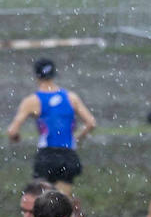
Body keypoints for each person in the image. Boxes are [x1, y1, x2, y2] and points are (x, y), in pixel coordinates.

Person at [7, 59, 97, 197]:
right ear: (54, 74)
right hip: (68, 155)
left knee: (42, 203)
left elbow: (12, 131)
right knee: (63, 203)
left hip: (47, 156)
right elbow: (91, 123)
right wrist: (77, 138)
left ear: (37, 76)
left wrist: (16, 137)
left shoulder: (32, 101)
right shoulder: (71, 97)